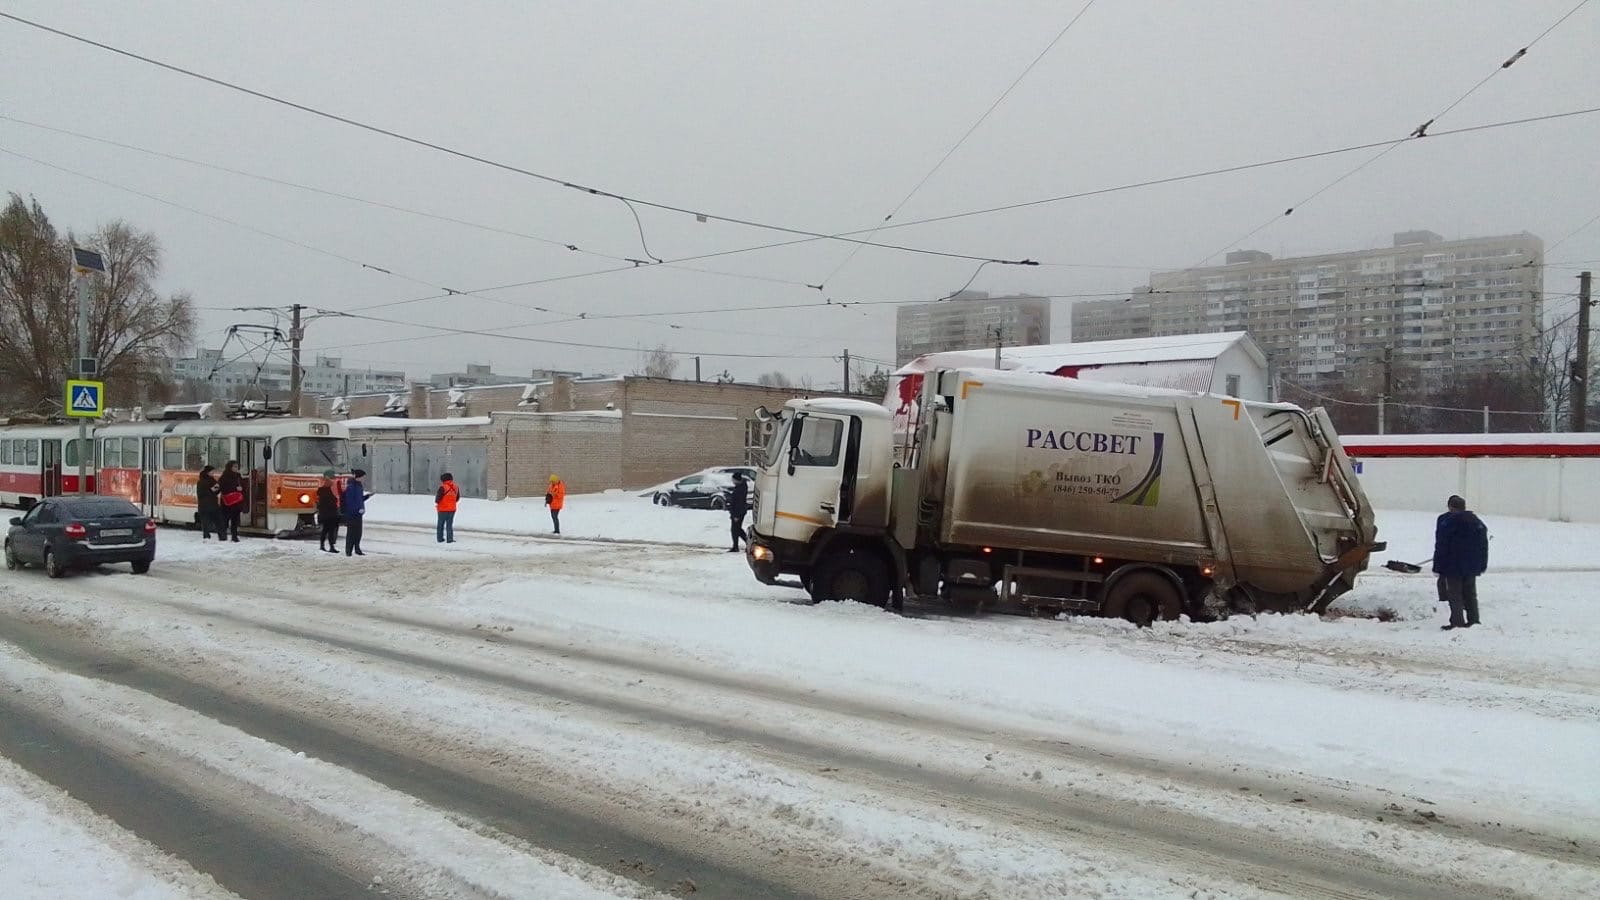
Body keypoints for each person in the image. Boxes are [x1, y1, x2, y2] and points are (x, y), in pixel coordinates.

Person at [1433, 494, 1488, 630]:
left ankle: (1457, 622)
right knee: (1470, 594)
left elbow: (1441, 545)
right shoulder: (1476, 522)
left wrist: (1438, 565)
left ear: (1450, 507)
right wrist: (1482, 564)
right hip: (1471, 565)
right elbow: (1483, 545)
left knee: (1455, 594)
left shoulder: (1446, 521)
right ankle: (1474, 621)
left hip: (1453, 565)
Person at [342, 468, 371, 556]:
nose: (364, 479)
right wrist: (357, 509)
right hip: (352, 514)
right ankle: (348, 550)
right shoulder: (351, 487)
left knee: (358, 532)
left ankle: (357, 548)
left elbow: (359, 499)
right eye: (363, 477)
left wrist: (367, 497)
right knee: (351, 533)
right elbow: (350, 501)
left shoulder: (358, 486)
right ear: (359, 477)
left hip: (359, 513)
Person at [217, 460, 245, 543]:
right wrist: (234, 488)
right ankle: (223, 535)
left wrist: (241, 488)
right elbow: (223, 488)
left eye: (237, 467)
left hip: (236, 502)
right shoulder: (224, 476)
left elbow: (242, 484)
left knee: (235, 520)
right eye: (234, 467)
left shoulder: (238, 476)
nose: (236, 468)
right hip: (227, 502)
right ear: (230, 467)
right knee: (225, 519)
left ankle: (234, 536)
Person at [315, 469, 341, 553]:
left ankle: (323, 546)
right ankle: (330, 547)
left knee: (326, 530)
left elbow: (318, 502)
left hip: (325, 513)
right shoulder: (330, 489)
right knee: (330, 531)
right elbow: (334, 499)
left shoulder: (321, 490)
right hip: (330, 513)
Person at [196, 465, 222, 540]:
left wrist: (217, 488)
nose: (213, 473)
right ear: (207, 472)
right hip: (205, 505)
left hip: (213, 504)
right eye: (212, 472)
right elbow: (201, 493)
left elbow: (216, 491)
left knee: (218, 521)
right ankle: (206, 536)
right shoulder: (201, 482)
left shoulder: (212, 480)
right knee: (206, 522)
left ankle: (221, 536)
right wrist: (211, 490)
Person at [727, 473, 749, 553]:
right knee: (737, 529)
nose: (732, 481)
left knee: (736, 529)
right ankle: (738, 545)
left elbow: (739, 502)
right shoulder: (740, 486)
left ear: (737, 480)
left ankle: (738, 546)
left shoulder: (741, 489)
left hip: (738, 512)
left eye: (733, 480)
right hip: (737, 512)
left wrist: (736, 515)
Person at [435, 472, 459, 543]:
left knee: (440, 525)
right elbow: (457, 498)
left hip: (442, 509)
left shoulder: (442, 487)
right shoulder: (456, 487)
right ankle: (450, 539)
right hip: (452, 509)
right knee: (449, 525)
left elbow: (437, 499)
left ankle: (440, 538)